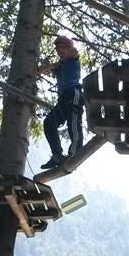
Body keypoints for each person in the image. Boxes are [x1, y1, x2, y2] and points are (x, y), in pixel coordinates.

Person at [39, 36, 85, 169]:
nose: (59, 51)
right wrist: (50, 67)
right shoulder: (60, 65)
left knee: (73, 124)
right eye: (58, 48)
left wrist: (61, 61)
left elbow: (74, 52)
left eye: (62, 48)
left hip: (73, 93)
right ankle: (57, 155)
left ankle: (75, 154)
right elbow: (43, 70)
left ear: (68, 47)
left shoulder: (72, 57)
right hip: (63, 98)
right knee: (49, 122)